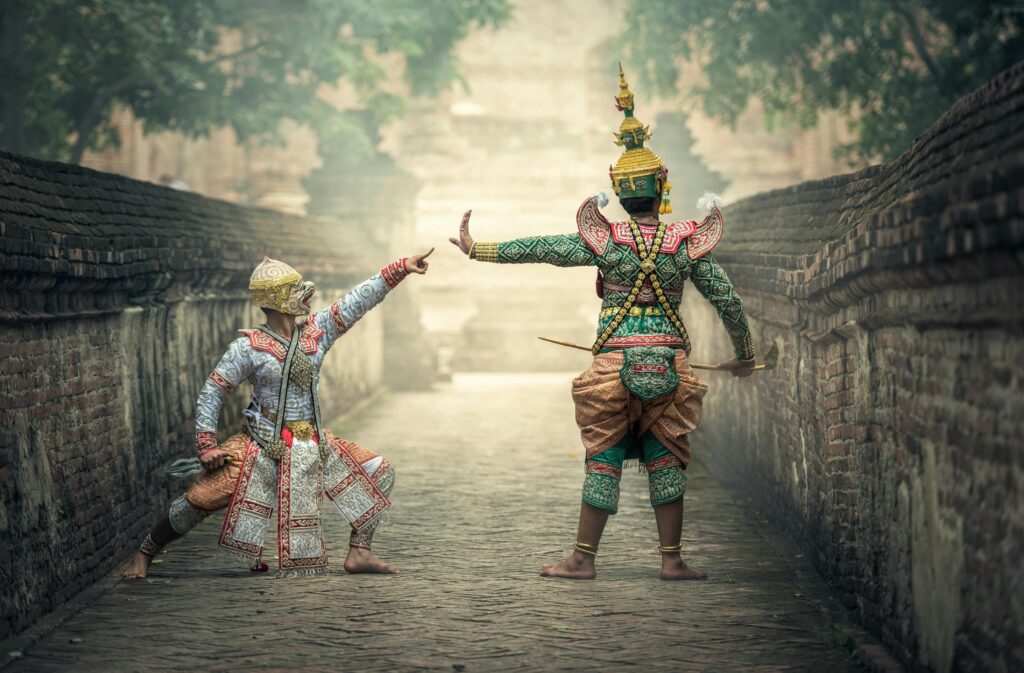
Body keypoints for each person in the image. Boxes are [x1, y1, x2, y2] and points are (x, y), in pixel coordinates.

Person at [450, 66, 755, 580]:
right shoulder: (685, 244)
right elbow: (728, 301)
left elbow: (546, 248)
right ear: (662, 189)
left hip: (612, 366)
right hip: (670, 365)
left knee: (604, 457)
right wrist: (744, 354)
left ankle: (582, 560)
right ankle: (672, 560)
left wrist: (480, 250)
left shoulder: (607, 241)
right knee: (666, 456)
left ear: (620, 192)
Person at [122, 249, 433, 578]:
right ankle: (145, 553)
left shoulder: (317, 331)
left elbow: (357, 300)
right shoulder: (248, 347)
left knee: (379, 471)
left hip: (313, 443)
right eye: (296, 289)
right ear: (277, 299)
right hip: (261, 445)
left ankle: (360, 551)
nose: (306, 292)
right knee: (197, 501)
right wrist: (207, 445)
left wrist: (400, 269)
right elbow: (213, 392)